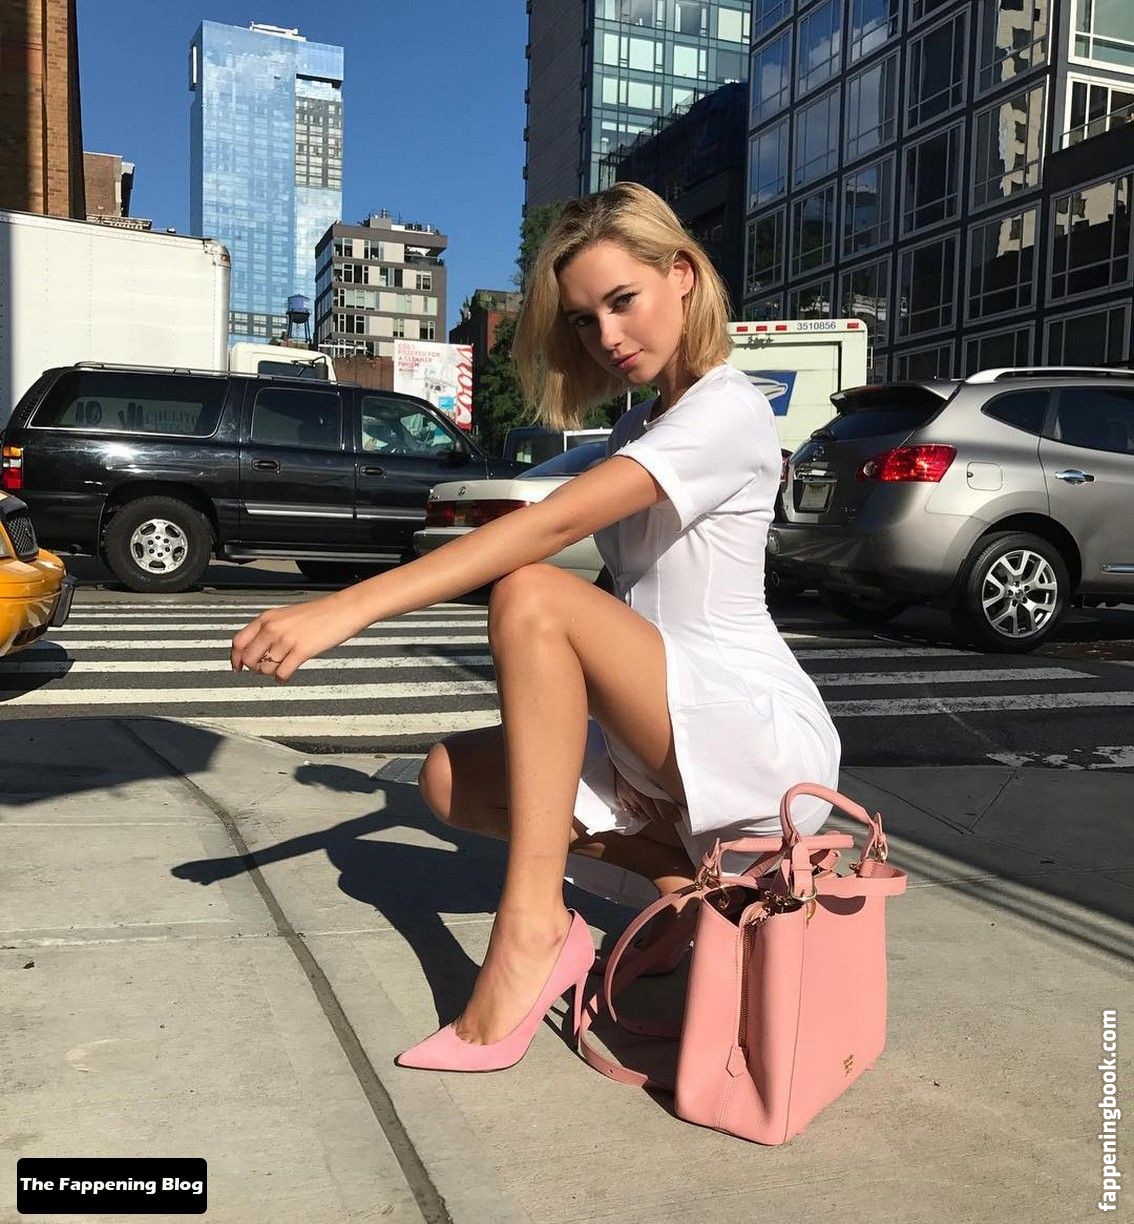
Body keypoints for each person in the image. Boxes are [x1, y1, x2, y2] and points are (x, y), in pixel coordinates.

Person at [230, 182, 841, 1073]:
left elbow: (548, 530)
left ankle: (532, 932)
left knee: (532, 594)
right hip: (664, 715)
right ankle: (686, 888)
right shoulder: (641, 424)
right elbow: (590, 556)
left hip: (744, 724)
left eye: (623, 301)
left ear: (681, 274)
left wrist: (344, 607)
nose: (608, 337)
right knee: (449, 782)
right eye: (586, 321)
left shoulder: (727, 407)